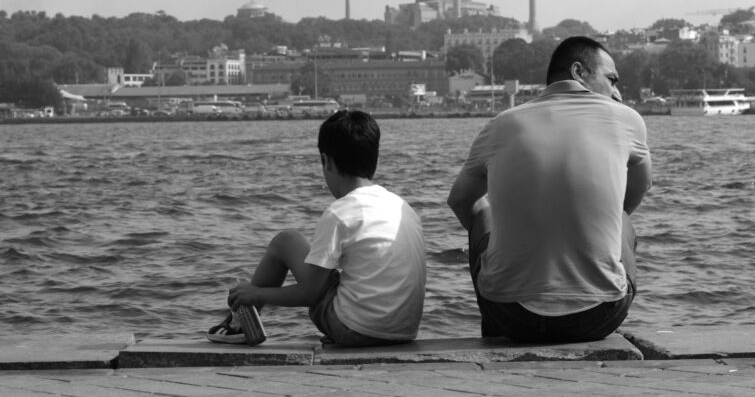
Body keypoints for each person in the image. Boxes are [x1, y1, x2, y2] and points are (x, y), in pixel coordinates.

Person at [447, 35, 652, 343]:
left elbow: (460, 200)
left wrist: (502, 236)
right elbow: (638, 190)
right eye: (611, 80)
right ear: (579, 72)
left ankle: (492, 328)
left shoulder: (500, 125)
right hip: (597, 316)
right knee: (620, 218)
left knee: (483, 212)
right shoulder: (627, 121)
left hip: (510, 315)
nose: (617, 93)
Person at [208, 110, 426, 346]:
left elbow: (310, 294)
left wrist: (257, 293)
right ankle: (242, 322)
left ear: (327, 161)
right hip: (403, 333)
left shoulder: (340, 212)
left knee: (286, 241)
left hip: (355, 331)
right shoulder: (403, 207)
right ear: (375, 158)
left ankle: (239, 325)